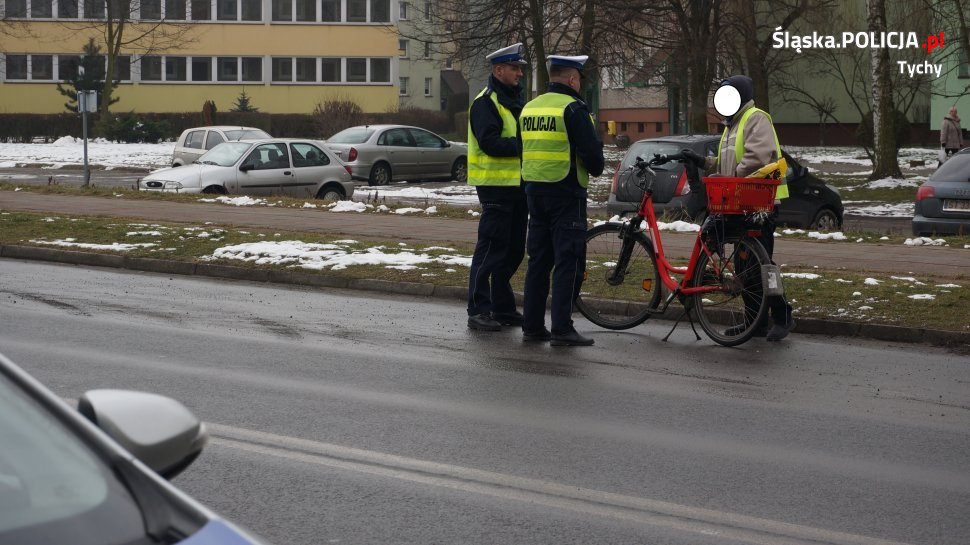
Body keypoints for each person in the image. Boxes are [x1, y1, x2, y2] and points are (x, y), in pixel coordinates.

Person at [519, 54, 605, 346]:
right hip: (566, 193)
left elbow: (523, 149)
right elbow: (593, 158)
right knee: (568, 262)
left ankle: (531, 326)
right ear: (572, 79)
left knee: (539, 261)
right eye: (578, 79)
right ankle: (562, 329)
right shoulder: (573, 108)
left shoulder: (529, 108)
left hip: (534, 192)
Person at [710, 74, 794, 342]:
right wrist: (703, 163)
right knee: (745, 265)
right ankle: (754, 322)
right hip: (740, 202)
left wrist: (731, 177)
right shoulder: (731, 125)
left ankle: (782, 317)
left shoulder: (756, 118)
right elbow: (727, 161)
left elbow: (756, 158)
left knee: (762, 265)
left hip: (761, 203)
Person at [466, 43, 529, 331]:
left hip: (518, 186)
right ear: (498, 70)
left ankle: (503, 307)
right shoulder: (485, 102)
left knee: (514, 250)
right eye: (515, 68)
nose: (519, 73)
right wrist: (524, 146)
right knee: (491, 249)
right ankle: (478, 308)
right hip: (494, 187)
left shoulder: (515, 100)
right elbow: (489, 142)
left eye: (520, 68)